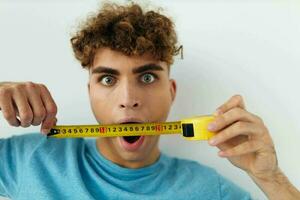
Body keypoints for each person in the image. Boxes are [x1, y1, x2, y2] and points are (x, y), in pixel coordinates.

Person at [0, 2, 299, 200]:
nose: (128, 99)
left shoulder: (210, 191)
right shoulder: (29, 161)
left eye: (146, 78)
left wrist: (271, 179)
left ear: (171, 92)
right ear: (89, 91)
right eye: (107, 79)